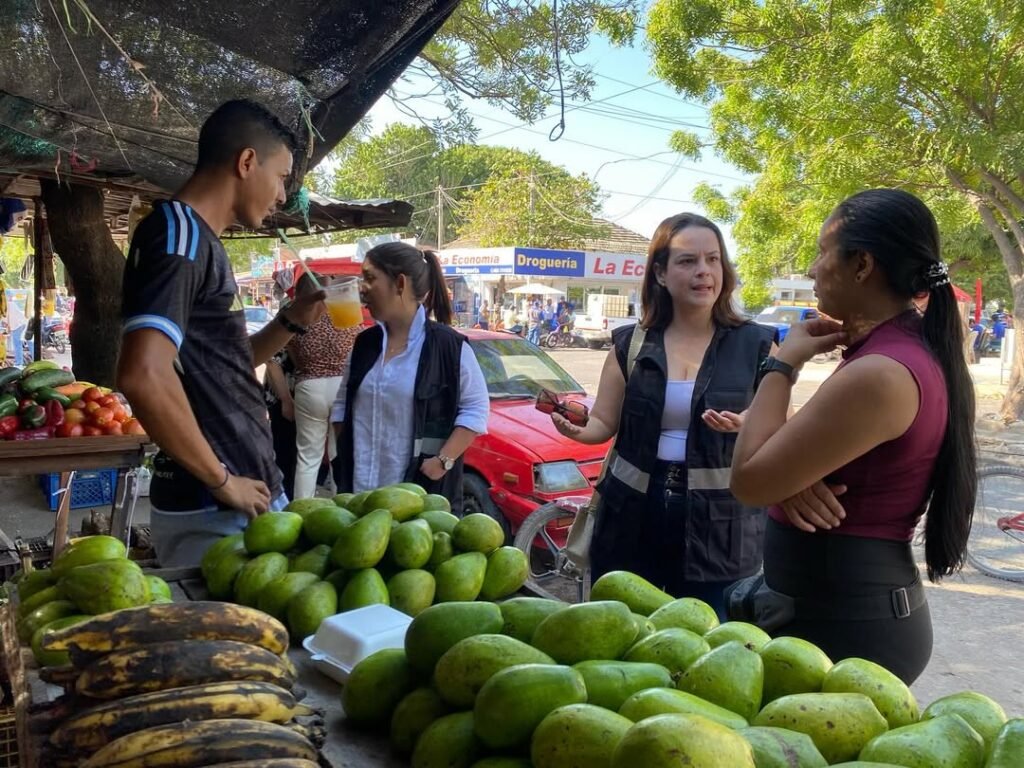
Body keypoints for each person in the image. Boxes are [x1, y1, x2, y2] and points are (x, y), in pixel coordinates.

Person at [730, 189, 976, 684]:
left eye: (823, 251)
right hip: (841, 615)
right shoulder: (900, 352)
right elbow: (813, 458)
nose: (814, 266)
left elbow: (750, 481)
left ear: (861, 264)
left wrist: (782, 363)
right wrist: (793, 474)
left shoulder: (881, 372)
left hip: (847, 627)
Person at [117, 100, 325, 567]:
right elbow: (142, 375)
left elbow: (222, 365)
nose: (282, 196)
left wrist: (290, 322)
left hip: (242, 494)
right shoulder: (178, 237)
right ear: (247, 162)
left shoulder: (199, 240)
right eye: (282, 177)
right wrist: (221, 479)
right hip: (214, 507)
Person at [549, 213, 775, 617]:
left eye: (712, 259)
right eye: (687, 261)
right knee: (621, 629)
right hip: (632, 519)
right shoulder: (631, 343)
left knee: (710, 643)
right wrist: (578, 431)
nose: (703, 271)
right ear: (660, 273)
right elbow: (603, 423)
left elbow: (782, 427)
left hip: (721, 528)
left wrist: (749, 426)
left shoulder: (757, 345)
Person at [330, 243, 489, 514]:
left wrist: (443, 460)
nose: (361, 287)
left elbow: (476, 409)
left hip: (419, 501)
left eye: (369, 278)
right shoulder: (364, 344)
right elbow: (342, 403)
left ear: (399, 283)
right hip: (359, 496)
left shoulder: (449, 347)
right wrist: (342, 454)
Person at [287, 272, 360, 499]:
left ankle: (301, 509)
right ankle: (341, 507)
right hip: (342, 386)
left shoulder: (296, 314)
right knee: (338, 453)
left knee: (308, 458)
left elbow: (292, 355)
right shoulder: (343, 311)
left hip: (309, 385)